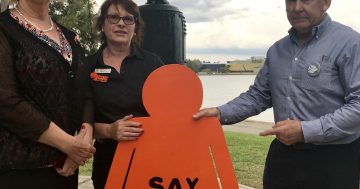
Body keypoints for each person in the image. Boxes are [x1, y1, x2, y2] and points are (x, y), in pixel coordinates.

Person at [194, 0, 360, 188]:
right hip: (284, 157)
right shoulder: (277, 50)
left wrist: (305, 130)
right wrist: (220, 113)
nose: (296, 8)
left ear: (325, 3)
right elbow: (259, 95)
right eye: (290, 1)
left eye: (305, 0)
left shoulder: (350, 43)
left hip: (334, 160)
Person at [0, 0, 96, 188]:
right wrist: (68, 144)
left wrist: (84, 139)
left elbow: (86, 91)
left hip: (66, 169)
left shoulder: (70, 36)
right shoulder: (5, 29)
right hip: (21, 172)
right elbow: (4, 100)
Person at [87, 0, 164, 188]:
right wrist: (109, 131)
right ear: (102, 25)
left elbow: (170, 113)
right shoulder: (87, 65)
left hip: (151, 161)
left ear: (136, 27)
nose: (121, 23)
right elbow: (78, 119)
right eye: (113, 17)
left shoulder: (153, 63)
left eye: (129, 19)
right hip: (108, 162)